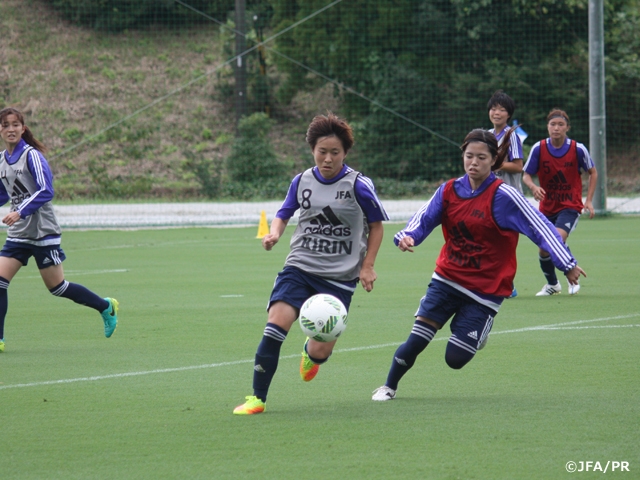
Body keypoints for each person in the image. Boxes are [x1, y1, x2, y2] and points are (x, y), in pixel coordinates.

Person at [371, 128, 585, 402]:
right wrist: (407, 236)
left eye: (481, 157)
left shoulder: (505, 196)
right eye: (469, 156)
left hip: (486, 289)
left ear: (493, 160)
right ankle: (388, 386)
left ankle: (479, 326)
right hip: (447, 278)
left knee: (455, 359)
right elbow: (423, 218)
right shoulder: (449, 190)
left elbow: (541, 228)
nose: (473, 162)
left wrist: (567, 263)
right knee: (417, 338)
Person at [233, 113, 388, 415]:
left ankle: (311, 353)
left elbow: (377, 225)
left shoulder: (358, 185)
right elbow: (284, 212)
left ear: (345, 153)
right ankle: (257, 398)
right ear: (312, 149)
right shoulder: (301, 180)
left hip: (339, 279)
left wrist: (367, 266)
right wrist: (274, 234)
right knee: (275, 325)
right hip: (300, 267)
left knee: (320, 351)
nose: (328, 159)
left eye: (335, 152)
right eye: (322, 151)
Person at [0, 107, 118, 353]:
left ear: (23, 128)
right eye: (5, 125)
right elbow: (4, 193)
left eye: (14, 124)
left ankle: (106, 306)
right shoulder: (2, 160)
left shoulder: (32, 156)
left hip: (43, 231)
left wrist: (20, 211)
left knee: (57, 288)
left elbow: (46, 191)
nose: (10, 129)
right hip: (19, 234)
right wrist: (16, 212)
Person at [522, 109, 597, 296]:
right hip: (547, 207)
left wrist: (588, 200)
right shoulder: (538, 148)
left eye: (560, 125)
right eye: (552, 124)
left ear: (567, 128)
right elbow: (526, 175)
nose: (556, 128)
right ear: (547, 127)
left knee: (555, 238)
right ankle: (552, 285)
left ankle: (571, 273)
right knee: (543, 249)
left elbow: (593, 172)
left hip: (570, 206)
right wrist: (533, 188)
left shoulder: (577, 149)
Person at [487, 90, 525, 298]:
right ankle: (496, 282)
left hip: (509, 197)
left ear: (508, 114)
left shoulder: (513, 136)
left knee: (506, 241)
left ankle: (507, 284)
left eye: (502, 110)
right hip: (488, 196)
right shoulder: (486, 136)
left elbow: (518, 166)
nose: (497, 113)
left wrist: (495, 163)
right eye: (494, 109)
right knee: (489, 239)